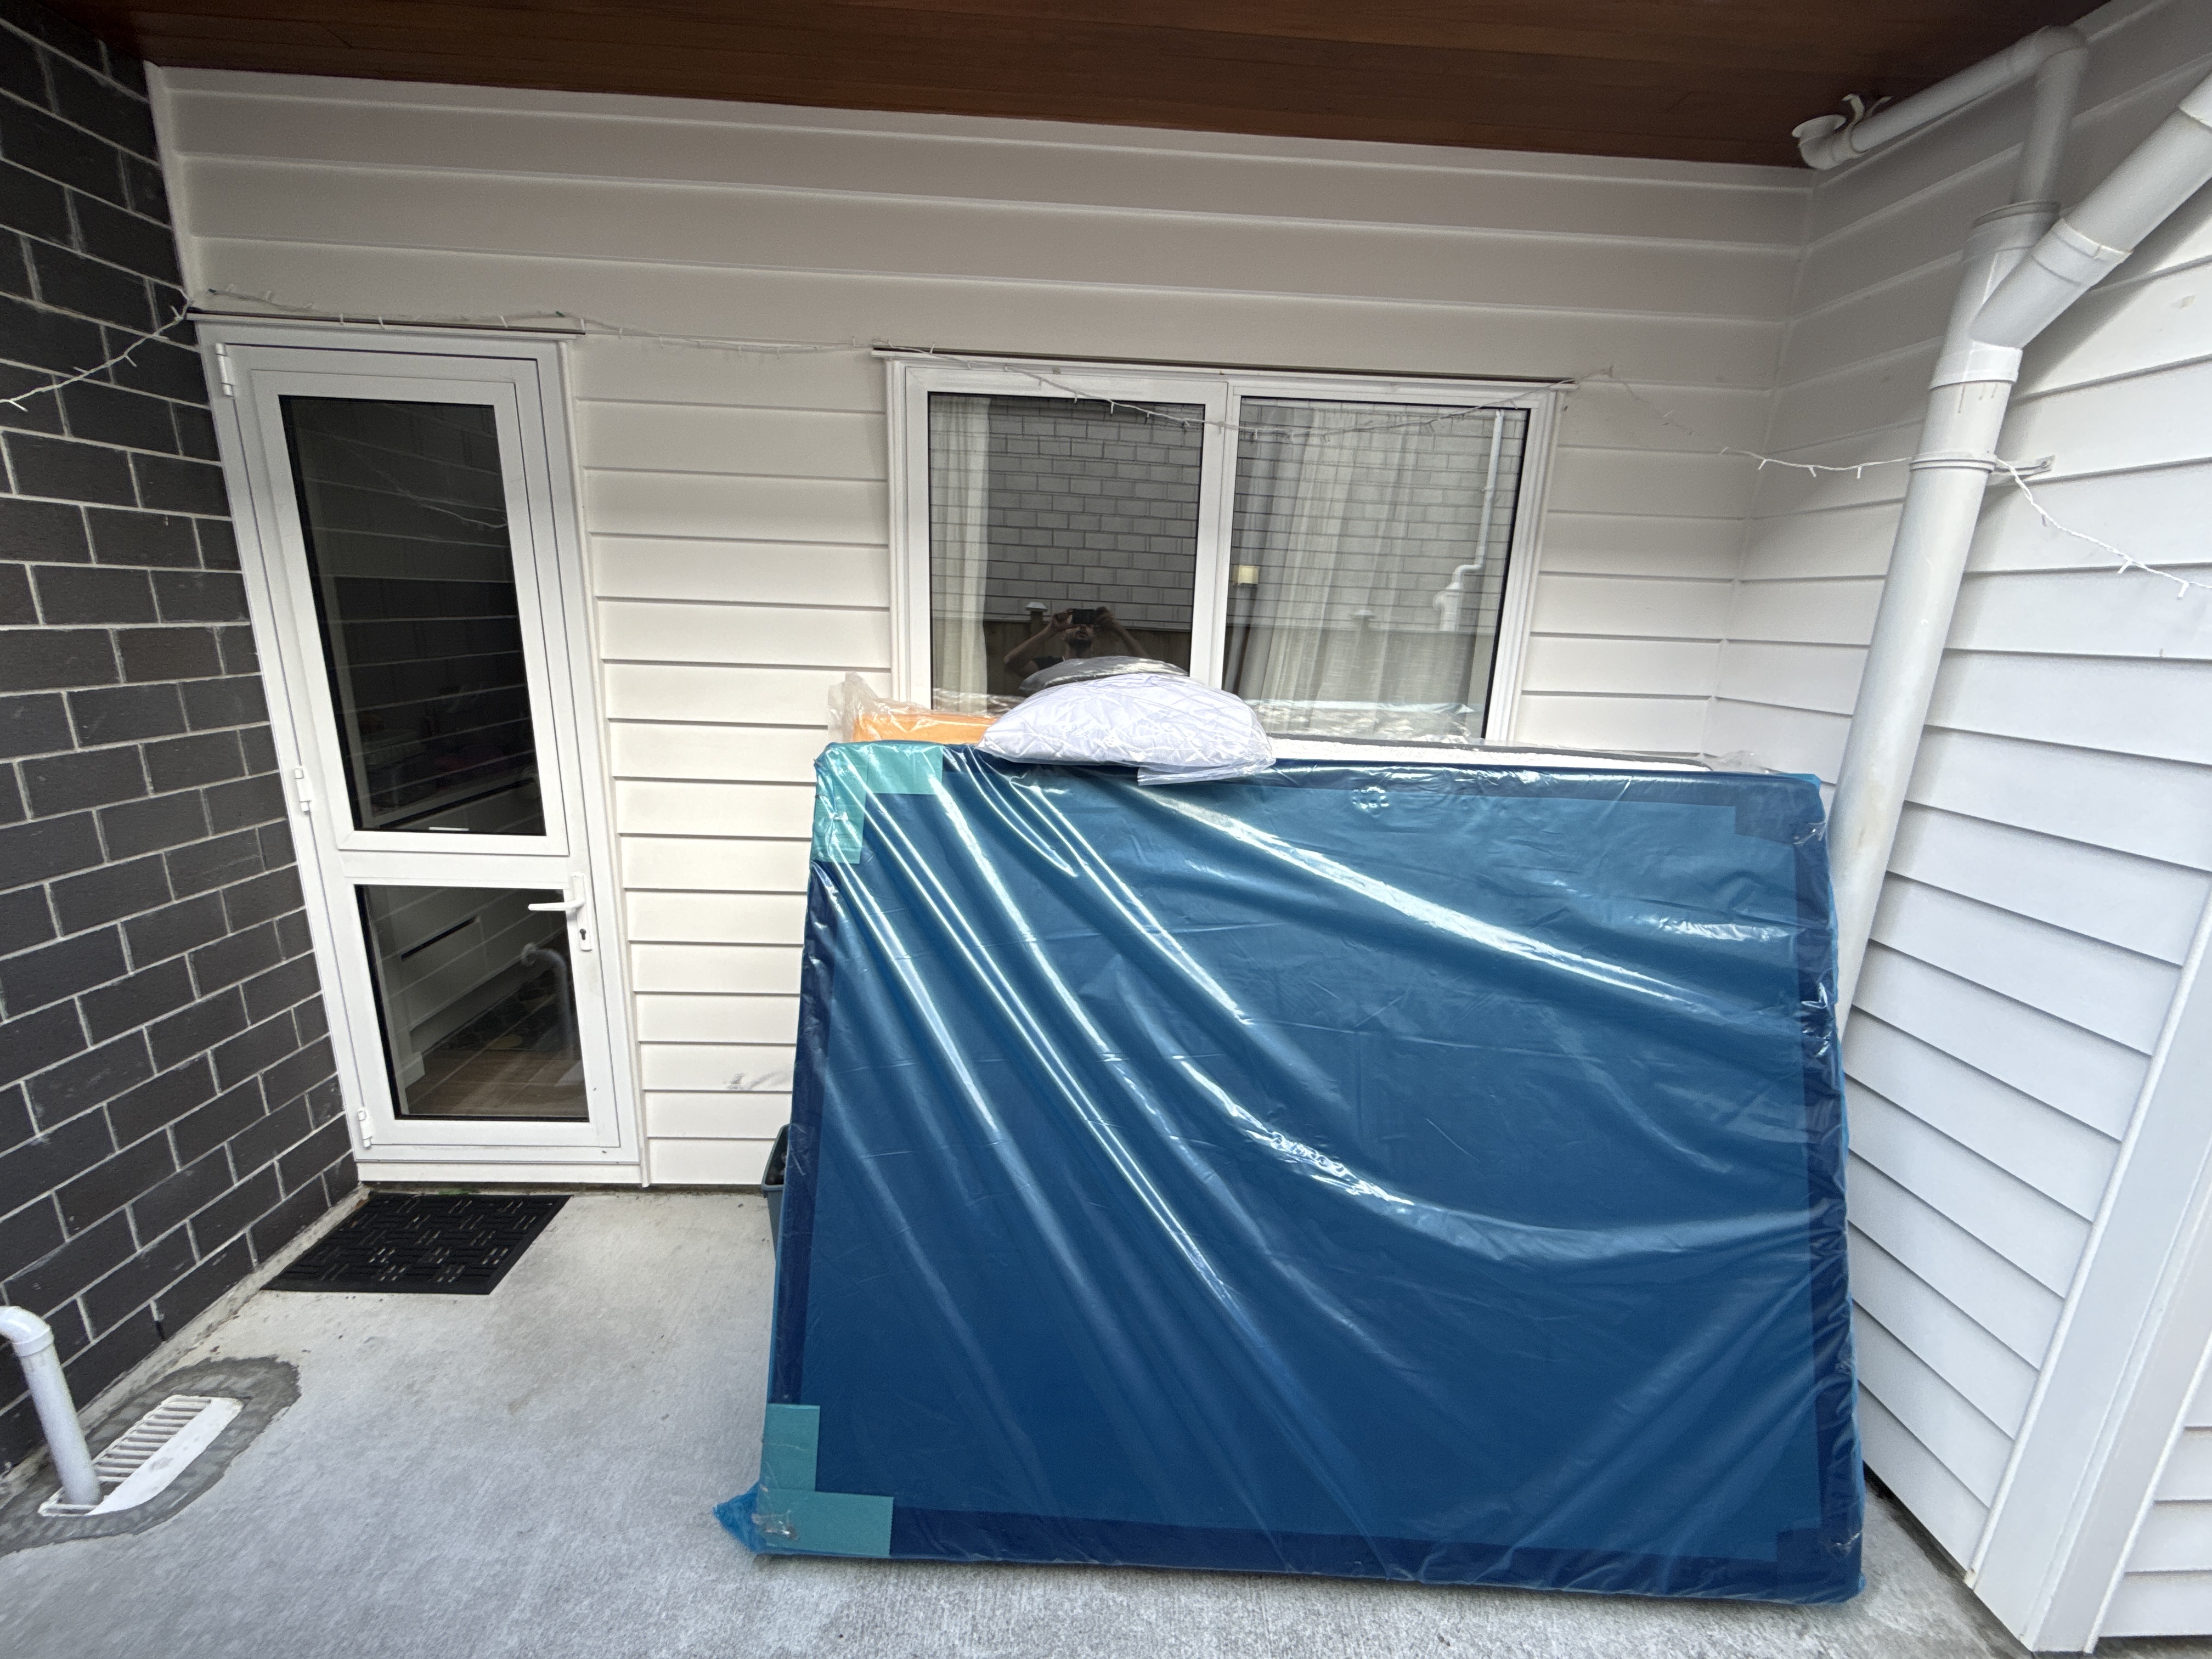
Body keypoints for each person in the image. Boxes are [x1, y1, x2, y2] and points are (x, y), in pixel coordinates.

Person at [1002, 605, 1146, 680]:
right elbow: (1011, 663)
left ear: (1094, 636)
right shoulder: (1048, 666)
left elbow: (1147, 669)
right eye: (1075, 624)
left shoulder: (1103, 670)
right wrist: (1051, 630)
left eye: (1088, 625)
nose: (1082, 627)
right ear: (1063, 634)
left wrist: (1119, 630)